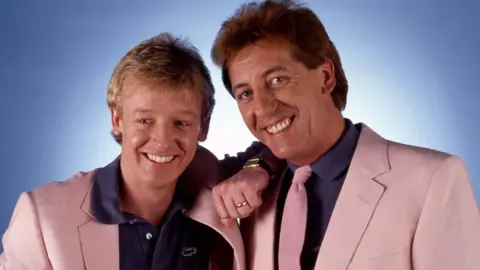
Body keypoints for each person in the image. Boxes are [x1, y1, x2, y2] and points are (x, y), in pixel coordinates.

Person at [207, 1, 480, 270]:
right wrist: (259, 167)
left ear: (326, 77)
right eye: (245, 93)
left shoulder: (433, 180)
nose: (263, 107)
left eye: (277, 79)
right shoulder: (247, 193)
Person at [0, 33, 248, 270]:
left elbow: (277, 152)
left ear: (202, 127)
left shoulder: (213, 211)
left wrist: (260, 169)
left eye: (181, 123)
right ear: (117, 120)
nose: (162, 141)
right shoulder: (43, 216)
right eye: (145, 120)